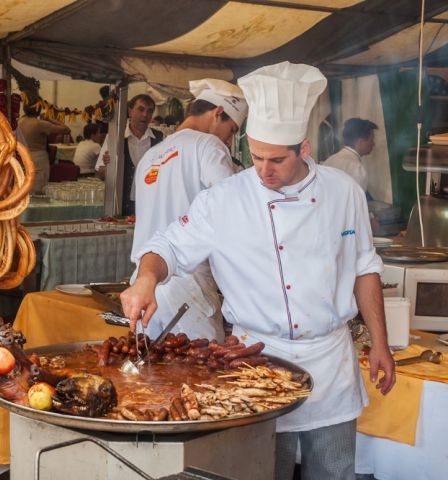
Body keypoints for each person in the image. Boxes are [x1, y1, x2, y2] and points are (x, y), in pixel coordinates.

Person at [121, 62, 395, 479]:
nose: (263, 170)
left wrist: (380, 343)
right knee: (263, 471)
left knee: (335, 472)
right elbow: (167, 245)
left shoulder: (344, 192)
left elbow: (364, 268)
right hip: (257, 365)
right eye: (256, 155)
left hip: (330, 362)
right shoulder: (225, 198)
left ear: (304, 149)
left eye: (277, 160)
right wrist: (146, 278)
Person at [131, 78, 247, 341]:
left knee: (150, 377)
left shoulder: (150, 156)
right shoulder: (209, 146)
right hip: (189, 287)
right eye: (231, 130)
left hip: (144, 284)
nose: (229, 140)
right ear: (218, 113)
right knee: (200, 376)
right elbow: (232, 213)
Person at [95, 94, 163, 215]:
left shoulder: (160, 139)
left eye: (149, 111)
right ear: (130, 111)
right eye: (141, 109)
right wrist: (109, 166)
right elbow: (101, 174)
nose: (145, 115)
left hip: (152, 205)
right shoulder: (114, 137)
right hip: (122, 206)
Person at [17, 103, 71, 193]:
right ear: (39, 109)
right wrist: (50, 118)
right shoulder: (40, 124)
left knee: (23, 188)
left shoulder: (20, 121)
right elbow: (66, 129)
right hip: (38, 160)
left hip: (22, 157)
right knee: (37, 190)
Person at [323, 118, 378, 191]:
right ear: (360, 142)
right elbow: (356, 201)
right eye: (371, 140)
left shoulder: (329, 161)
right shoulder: (357, 169)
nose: (374, 144)